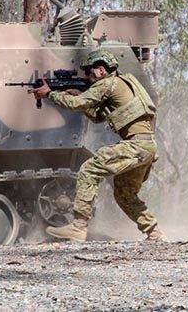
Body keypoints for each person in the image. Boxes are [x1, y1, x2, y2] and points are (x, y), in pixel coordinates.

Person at [29, 49, 166, 242]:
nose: (88, 77)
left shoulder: (107, 83)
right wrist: (78, 95)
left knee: (88, 169)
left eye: (90, 73)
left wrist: (50, 94)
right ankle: (155, 233)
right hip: (146, 147)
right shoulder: (122, 83)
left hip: (136, 146)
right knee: (124, 194)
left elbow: (76, 103)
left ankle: (78, 227)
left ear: (101, 70)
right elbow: (98, 117)